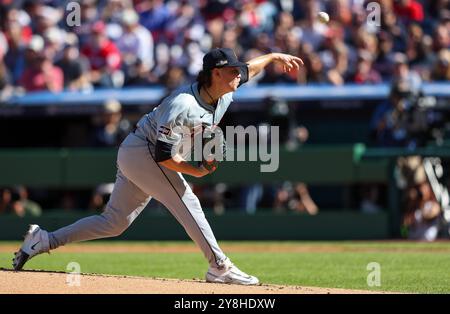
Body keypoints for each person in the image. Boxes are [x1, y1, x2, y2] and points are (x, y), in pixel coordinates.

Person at [13, 48, 303, 285]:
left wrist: (275, 57)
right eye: (232, 71)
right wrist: (196, 171)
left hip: (139, 153)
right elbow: (164, 156)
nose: (239, 75)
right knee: (187, 200)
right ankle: (220, 267)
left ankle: (44, 239)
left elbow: (252, 68)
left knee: (114, 223)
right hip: (145, 153)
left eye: (238, 72)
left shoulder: (224, 91)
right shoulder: (182, 104)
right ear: (215, 74)